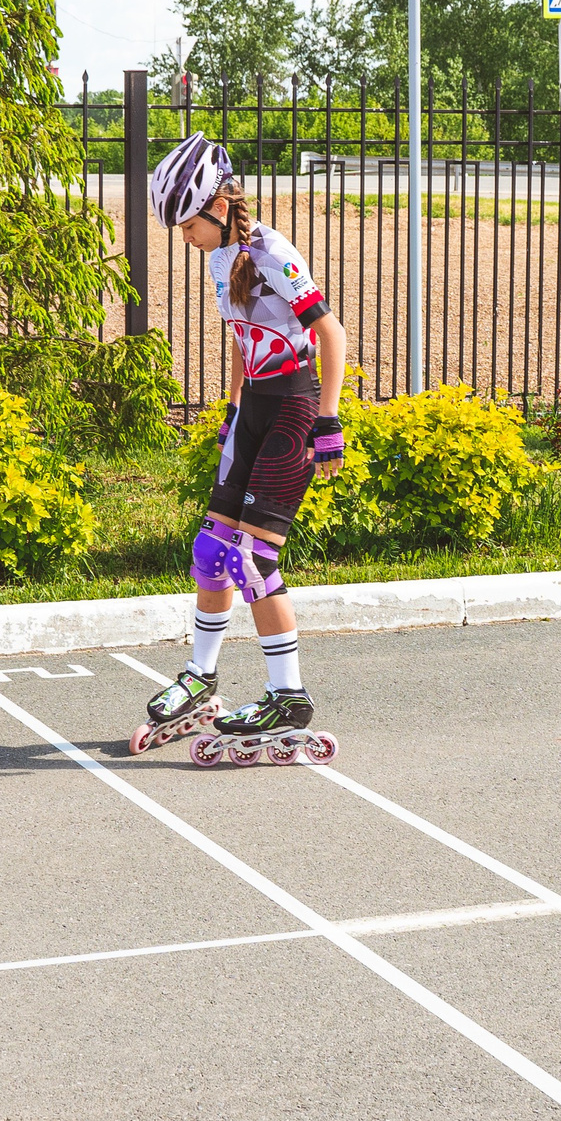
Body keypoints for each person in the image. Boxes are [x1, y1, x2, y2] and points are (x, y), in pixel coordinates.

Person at [132, 134, 348, 757]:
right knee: (210, 548)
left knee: (252, 560)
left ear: (221, 207)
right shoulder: (220, 258)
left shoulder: (273, 251)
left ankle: (288, 695)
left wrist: (328, 420)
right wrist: (230, 410)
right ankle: (201, 681)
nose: (183, 236)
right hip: (253, 407)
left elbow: (330, 333)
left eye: (188, 223)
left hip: (293, 408)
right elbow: (240, 335)